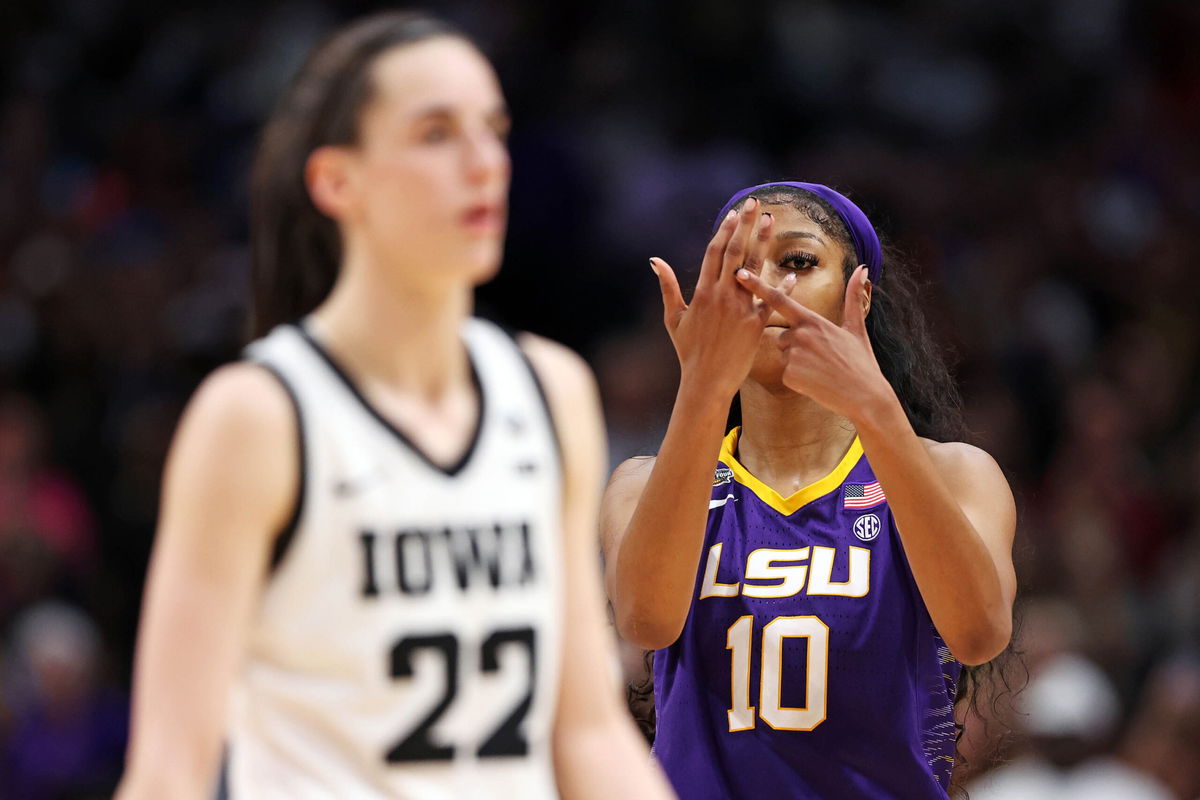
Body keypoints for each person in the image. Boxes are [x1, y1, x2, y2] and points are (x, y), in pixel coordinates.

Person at [115, 12, 674, 800]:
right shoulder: (258, 417)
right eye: (436, 134)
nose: (484, 163)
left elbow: (583, 728)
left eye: (493, 130)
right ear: (337, 181)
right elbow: (171, 769)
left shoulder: (551, 392)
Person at [601, 181, 1017, 799]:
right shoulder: (639, 483)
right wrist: (704, 388)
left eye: (797, 262)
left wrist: (874, 407)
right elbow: (646, 621)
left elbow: (979, 633)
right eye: (737, 268)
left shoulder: (957, 473)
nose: (764, 286)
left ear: (862, 294)